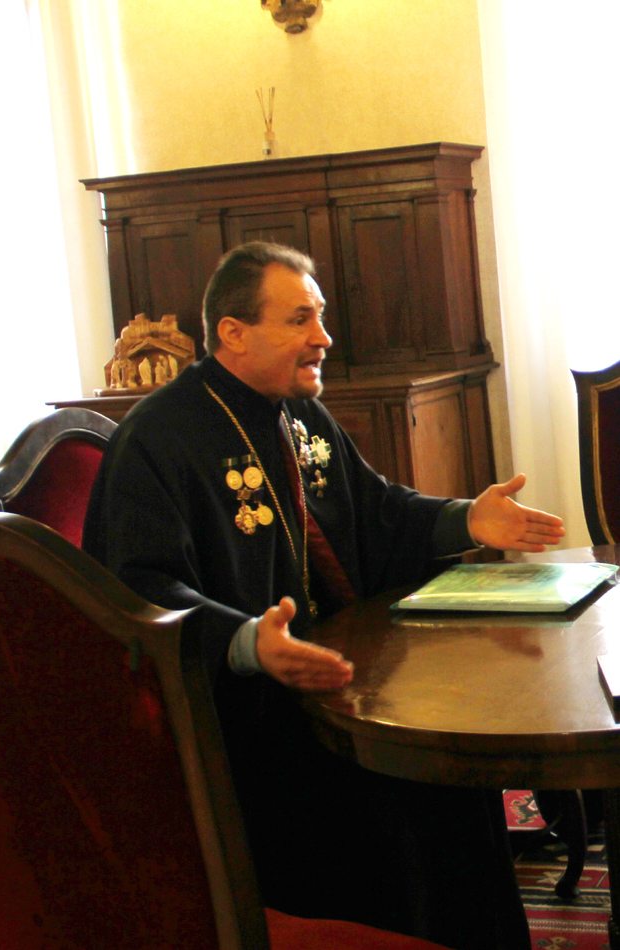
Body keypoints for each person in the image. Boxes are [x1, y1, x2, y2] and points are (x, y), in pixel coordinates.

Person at [84, 242, 564, 950]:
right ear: (233, 333)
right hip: (246, 728)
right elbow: (136, 590)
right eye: (300, 319)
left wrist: (468, 520)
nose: (324, 338)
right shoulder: (158, 439)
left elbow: (376, 512)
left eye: (322, 316)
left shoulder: (300, 416)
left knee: (452, 783)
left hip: (338, 688)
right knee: (411, 793)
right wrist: (246, 644)